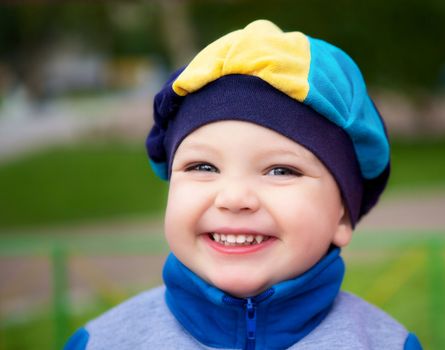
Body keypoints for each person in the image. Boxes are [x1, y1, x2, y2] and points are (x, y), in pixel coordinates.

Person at [65, 20, 423, 350]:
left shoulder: (386, 343)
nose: (235, 198)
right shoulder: (102, 341)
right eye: (203, 166)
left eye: (280, 171)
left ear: (342, 216)